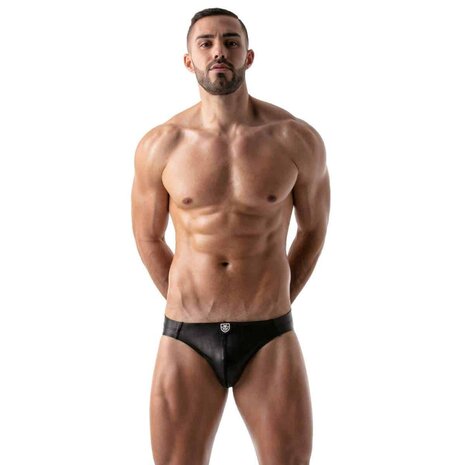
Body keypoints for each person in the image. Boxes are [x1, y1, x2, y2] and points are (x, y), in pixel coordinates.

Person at [131, 7, 330, 465]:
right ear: (189, 60)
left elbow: (313, 229)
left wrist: (277, 297)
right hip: (186, 336)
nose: (218, 50)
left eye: (230, 41)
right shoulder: (161, 145)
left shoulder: (295, 139)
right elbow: (148, 237)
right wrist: (187, 300)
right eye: (205, 43)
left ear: (248, 56)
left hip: (269, 334)